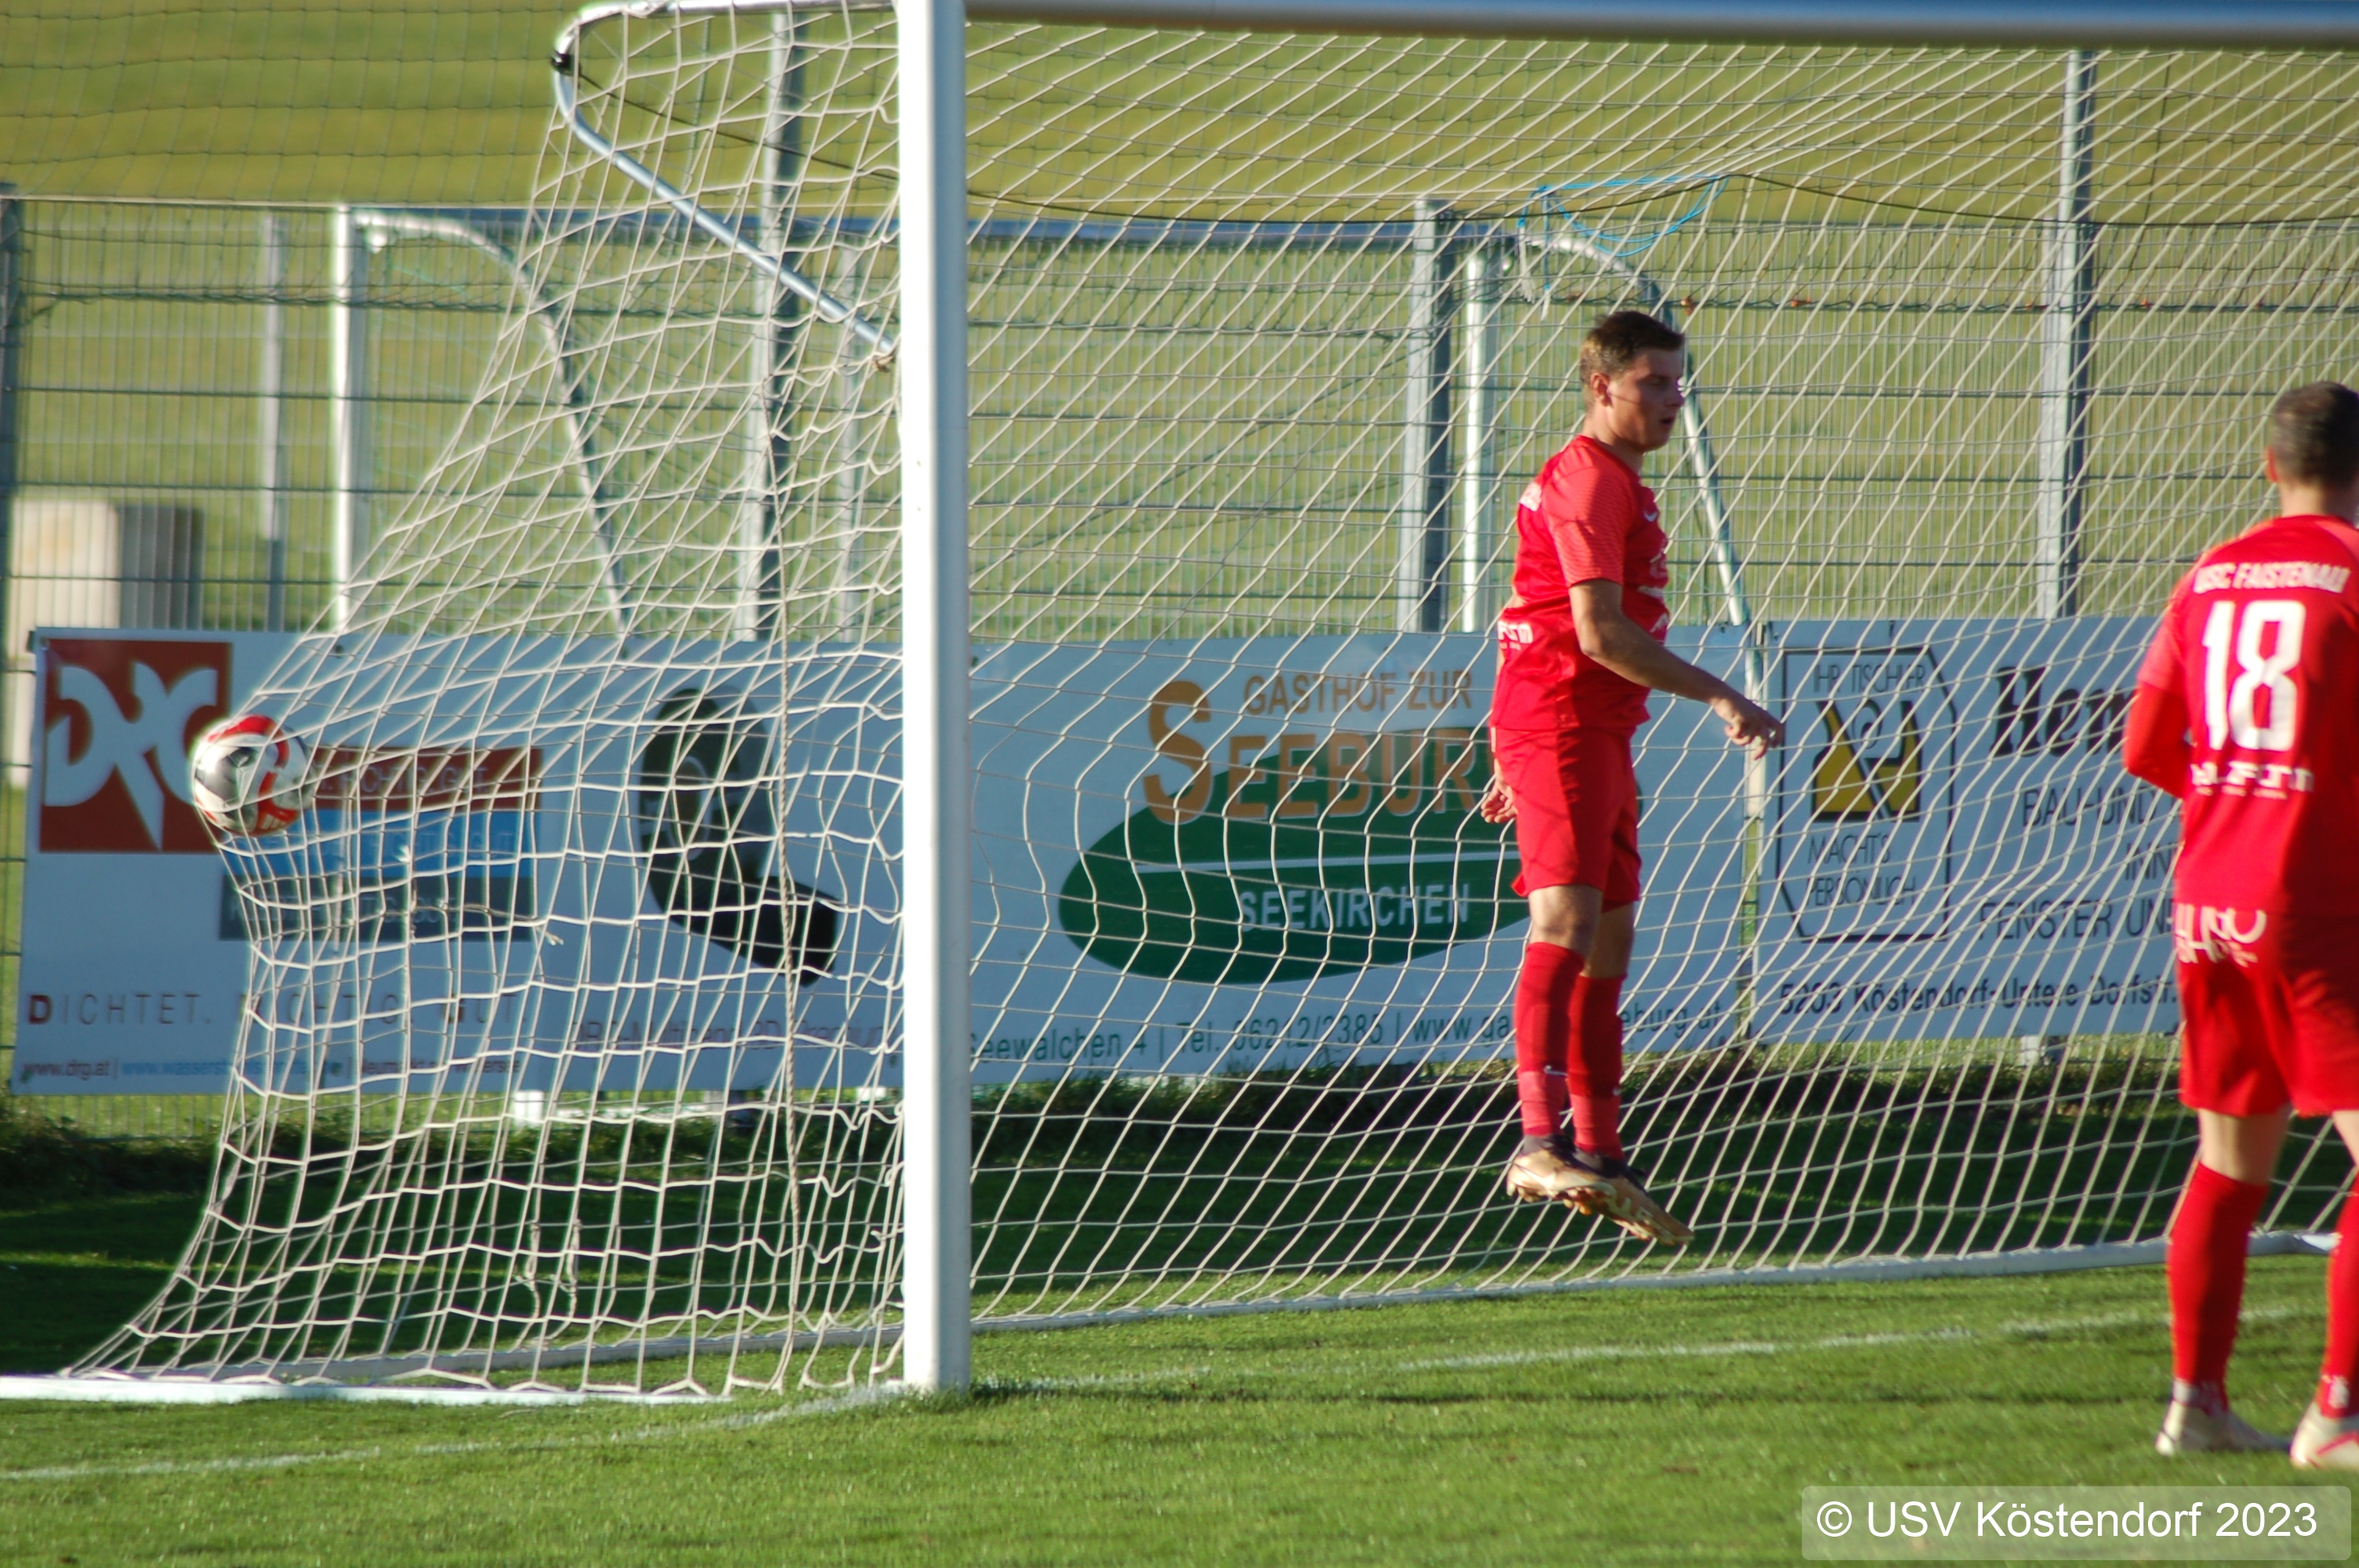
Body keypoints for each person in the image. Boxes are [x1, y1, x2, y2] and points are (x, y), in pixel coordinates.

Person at [1480, 309, 1783, 1246]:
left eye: (1675, 381)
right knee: (1563, 925)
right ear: (1599, 383)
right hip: (1561, 725)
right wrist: (1721, 695)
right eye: (1651, 380)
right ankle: (1535, 1141)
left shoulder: (1616, 480)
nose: (1670, 397)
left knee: (1608, 944)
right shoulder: (1586, 480)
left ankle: (1601, 1152)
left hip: (1592, 732)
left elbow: (1524, 609)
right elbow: (1599, 634)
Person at [2125, 381, 2359, 1466]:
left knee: (2226, 1161)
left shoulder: (2210, 574)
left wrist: (2244, 802)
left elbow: (2146, 746)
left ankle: (2196, 1406)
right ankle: (2337, 1412)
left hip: (2210, 899)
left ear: (2269, 466)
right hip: (2316, 901)